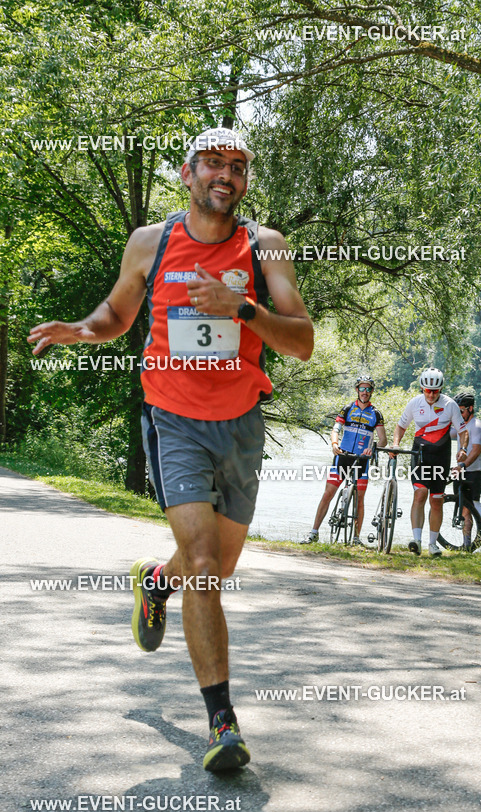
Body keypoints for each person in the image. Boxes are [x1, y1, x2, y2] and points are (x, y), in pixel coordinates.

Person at [28, 126, 314, 771]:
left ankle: (156, 582)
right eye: (213, 164)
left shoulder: (264, 248)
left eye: (237, 167)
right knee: (207, 563)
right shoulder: (151, 243)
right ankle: (222, 724)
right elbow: (117, 315)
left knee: (213, 569)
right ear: (187, 175)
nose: (226, 176)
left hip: (240, 423)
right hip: (174, 420)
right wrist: (81, 330)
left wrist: (242, 309)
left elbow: (301, 341)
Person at [392, 368, 469, 557]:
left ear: (441, 389)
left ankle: (432, 544)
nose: (431, 394)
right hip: (420, 454)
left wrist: (463, 449)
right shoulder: (414, 403)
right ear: (422, 388)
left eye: (435, 391)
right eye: (427, 390)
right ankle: (416, 540)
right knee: (420, 494)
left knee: (436, 501)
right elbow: (401, 426)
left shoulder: (450, 405)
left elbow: (463, 431)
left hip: (441, 456)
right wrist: (395, 444)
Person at [303, 374, 387, 544]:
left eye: (368, 389)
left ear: (371, 391)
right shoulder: (348, 408)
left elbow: (383, 439)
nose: (364, 392)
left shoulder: (376, 414)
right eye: (362, 388)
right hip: (343, 457)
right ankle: (314, 532)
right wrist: (334, 443)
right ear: (357, 390)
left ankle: (356, 538)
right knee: (328, 494)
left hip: (362, 460)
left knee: (360, 500)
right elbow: (336, 428)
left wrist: (374, 447)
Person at [454, 390, 481, 550]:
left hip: (474, 471)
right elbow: (447, 433)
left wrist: (463, 465)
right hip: (461, 471)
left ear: (470, 409)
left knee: (470, 508)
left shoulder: (477, 425)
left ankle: (470, 545)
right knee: (463, 510)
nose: (459, 414)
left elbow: (476, 450)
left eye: (461, 411)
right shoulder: (461, 425)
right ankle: (466, 544)